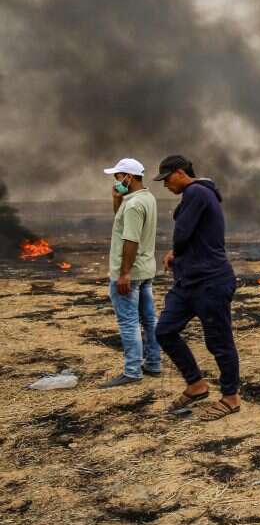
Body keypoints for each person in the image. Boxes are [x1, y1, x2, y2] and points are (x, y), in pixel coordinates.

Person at [154, 155, 241, 421]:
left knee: (219, 341)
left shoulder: (196, 191)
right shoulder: (197, 195)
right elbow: (190, 236)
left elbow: (181, 234)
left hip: (210, 282)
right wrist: (176, 255)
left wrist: (176, 250)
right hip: (187, 282)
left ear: (180, 173)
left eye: (167, 178)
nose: (165, 185)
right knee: (165, 331)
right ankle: (196, 384)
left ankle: (230, 397)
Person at [99, 158, 161, 389]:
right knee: (148, 319)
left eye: (118, 176)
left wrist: (124, 273)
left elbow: (131, 239)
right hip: (145, 270)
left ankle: (132, 371)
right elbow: (125, 224)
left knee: (128, 322)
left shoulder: (134, 205)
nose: (116, 181)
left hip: (131, 274)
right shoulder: (146, 198)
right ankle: (154, 363)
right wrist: (117, 200)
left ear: (129, 176)